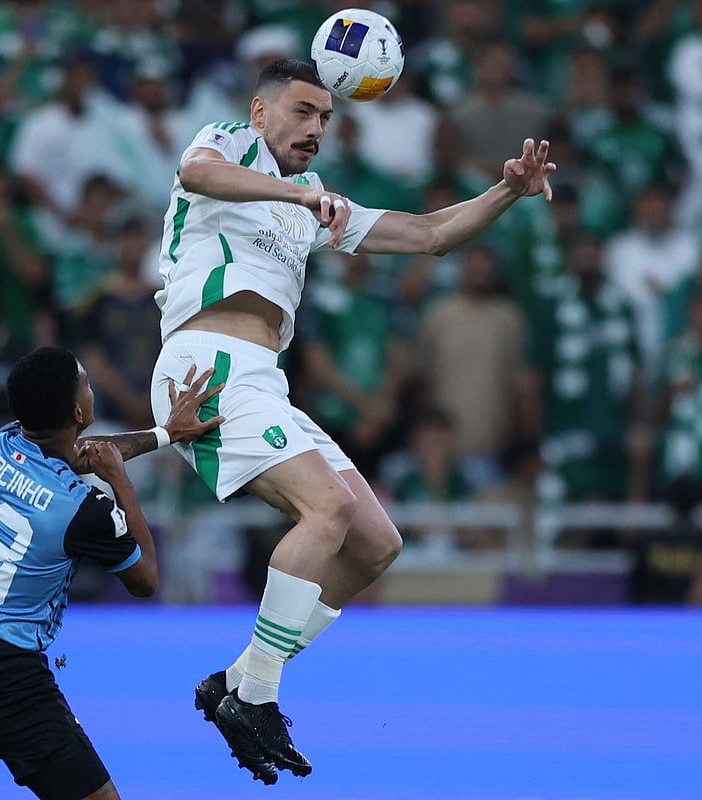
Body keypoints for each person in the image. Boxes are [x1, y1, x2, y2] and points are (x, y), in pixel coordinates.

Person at [150, 59, 555, 785]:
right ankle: (258, 698)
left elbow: (428, 233)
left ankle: (238, 680)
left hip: (262, 380)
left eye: (326, 118)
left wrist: (507, 191)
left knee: (374, 543)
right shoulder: (231, 145)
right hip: (203, 365)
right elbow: (198, 173)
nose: (316, 127)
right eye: (303, 111)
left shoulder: (312, 204)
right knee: (329, 508)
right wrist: (302, 194)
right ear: (260, 112)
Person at [0, 347, 222, 800]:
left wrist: (167, 433)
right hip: (5, 678)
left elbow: (84, 453)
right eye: (87, 384)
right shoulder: (82, 510)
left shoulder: (3, 442)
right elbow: (147, 579)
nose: (92, 389)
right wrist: (121, 483)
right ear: (78, 412)